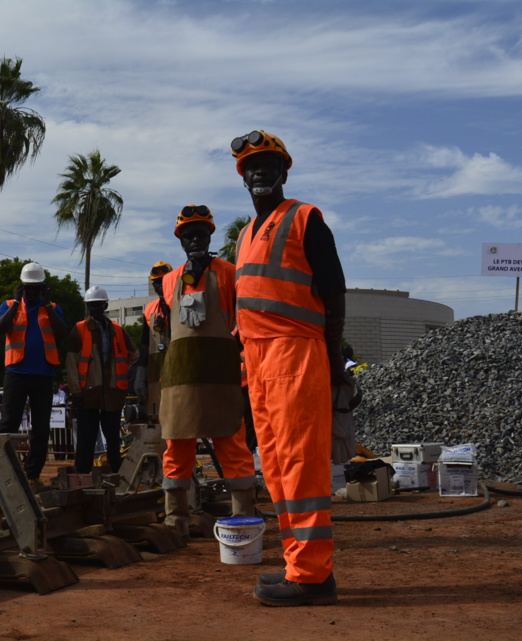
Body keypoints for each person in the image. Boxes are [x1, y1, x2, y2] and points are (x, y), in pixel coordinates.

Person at [231, 130, 348, 606]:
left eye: (268, 164)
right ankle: (298, 565)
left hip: (296, 353)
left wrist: (334, 356)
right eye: (251, 166)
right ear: (243, 178)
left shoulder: (305, 219)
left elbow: (335, 293)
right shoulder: (244, 235)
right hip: (258, 359)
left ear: (284, 171)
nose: (259, 171)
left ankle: (315, 578)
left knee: (301, 463)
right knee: (276, 466)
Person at [158, 206, 255, 537]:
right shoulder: (170, 281)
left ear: (210, 235)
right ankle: (175, 518)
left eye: (201, 233)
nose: (195, 239)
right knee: (177, 446)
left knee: (231, 441)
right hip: (179, 378)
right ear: (180, 240)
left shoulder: (230, 273)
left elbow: (245, 319)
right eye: (189, 234)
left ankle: (242, 514)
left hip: (219, 375)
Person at [0, 261, 69, 481]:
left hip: (44, 374)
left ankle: (32, 475)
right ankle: (4, 472)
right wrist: (17, 302)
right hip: (17, 373)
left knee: (41, 429)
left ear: (43, 288)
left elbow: (62, 332)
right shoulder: (8, 305)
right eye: (28, 288)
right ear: (22, 287)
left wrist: (46, 304)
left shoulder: (53, 308)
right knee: (9, 425)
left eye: (37, 288)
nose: (32, 292)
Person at [65, 286, 138, 474]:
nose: (95, 310)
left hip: (112, 393)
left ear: (105, 305)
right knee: (86, 438)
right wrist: (76, 392)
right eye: (91, 306)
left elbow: (133, 354)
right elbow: (71, 363)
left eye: (98, 306)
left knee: (113, 437)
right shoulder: (80, 329)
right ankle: (82, 474)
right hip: (88, 393)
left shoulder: (118, 330)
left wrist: (119, 370)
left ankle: (116, 474)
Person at [134, 262, 172, 419]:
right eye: (156, 283)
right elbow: (145, 345)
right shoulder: (150, 309)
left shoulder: (184, 303)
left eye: (164, 281)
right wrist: (140, 376)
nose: (160, 286)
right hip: (157, 372)